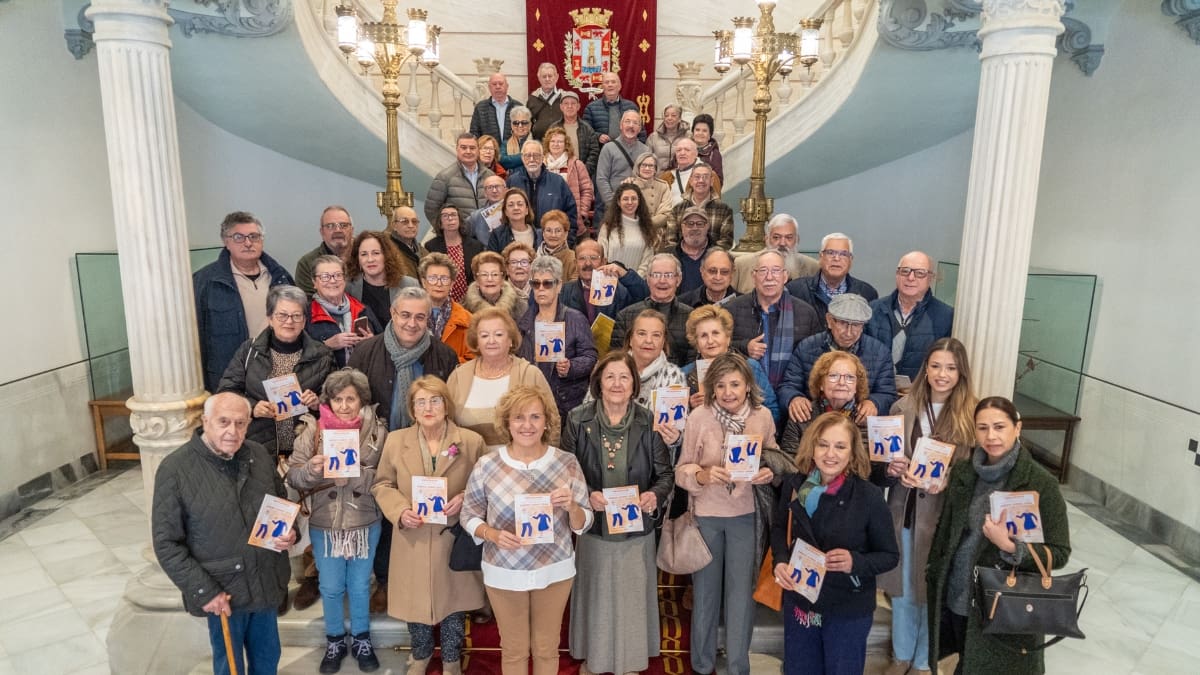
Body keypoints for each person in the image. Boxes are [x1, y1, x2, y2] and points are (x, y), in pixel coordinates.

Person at [152, 392, 295, 675]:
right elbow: (167, 543)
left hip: (265, 581)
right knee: (229, 667)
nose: (233, 431)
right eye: (224, 422)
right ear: (205, 421)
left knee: (268, 661)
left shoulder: (258, 454)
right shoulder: (175, 469)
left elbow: (281, 504)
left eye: (241, 423)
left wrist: (289, 534)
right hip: (222, 592)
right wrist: (204, 591)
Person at [926, 397, 1071, 675]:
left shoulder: (1041, 483)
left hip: (1004, 602)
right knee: (964, 662)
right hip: (958, 594)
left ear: (1017, 428)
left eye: (999, 427)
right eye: (982, 428)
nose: (991, 436)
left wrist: (1008, 545)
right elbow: (947, 532)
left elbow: (1060, 552)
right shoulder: (964, 473)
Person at [460, 386, 592, 675]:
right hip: (504, 571)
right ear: (507, 422)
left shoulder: (566, 463)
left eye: (535, 417)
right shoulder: (487, 465)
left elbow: (583, 524)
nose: (527, 425)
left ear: (547, 422)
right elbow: (468, 515)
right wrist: (491, 534)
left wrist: (571, 506)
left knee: (547, 648)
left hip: (555, 571)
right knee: (514, 650)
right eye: (519, 417)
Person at [562, 351, 675, 675]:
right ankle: (595, 661)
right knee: (596, 596)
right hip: (594, 526)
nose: (617, 383)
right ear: (598, 382)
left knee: (630, 598)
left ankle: (629, 662)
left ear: (633, 384)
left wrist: (654, 495)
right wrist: (587, 496)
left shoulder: (649, 420)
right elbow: (565, 471)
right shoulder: (577, 419)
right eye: (610, 376)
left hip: (635, 530)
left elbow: (665, 475)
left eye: (624, 377)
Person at [347, 287, 458, 610]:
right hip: (381, 448)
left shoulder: (443, 355)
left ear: (429, 319)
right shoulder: (366, 352)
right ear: (393, 314)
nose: (412, 323)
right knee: (385, 514)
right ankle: (384, 580)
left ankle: (427, 580)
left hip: (428, 450)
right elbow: (350, 401)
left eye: (420, 316)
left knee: (421, 518)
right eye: (405, 315)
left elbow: (449, 406)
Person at [371, 376, 487, 675]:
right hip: (413, 536)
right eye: (420, 402)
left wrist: (464, 498)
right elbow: (382, 484)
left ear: (446, 404)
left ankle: (451, 659)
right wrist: (399, 510)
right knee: (414, 603)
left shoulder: (471, 442)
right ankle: (420, 655)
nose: (428, 407)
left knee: (454, 602)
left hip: (452, 536)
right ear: (411, 409)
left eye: (435, 400)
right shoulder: (396, 441)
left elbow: (487, 486)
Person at [675, 353, 780, 675]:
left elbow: (774, 457)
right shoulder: (699, 417)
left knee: (740, 598)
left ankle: (738, 667)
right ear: (711, 389)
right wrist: (702, 475)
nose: (728, 392)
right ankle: (702, 665)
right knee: (705, 594)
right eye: (720, 385)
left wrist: (768, 473)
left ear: (748, 385)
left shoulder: (762, 417)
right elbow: (681, 469)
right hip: (706, 516)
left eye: (735, 384)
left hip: (746, 517)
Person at [771, 412, 899, 675]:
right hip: (802, 600)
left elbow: (889, 555)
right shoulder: (795, 485)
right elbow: (778, 528)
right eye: (823, 444)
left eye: (840, 446)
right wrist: (780, 561)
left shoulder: (869, 497)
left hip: (847, 608)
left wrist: (856, 562)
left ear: (852, 453)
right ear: (812, 447)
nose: (831, 454)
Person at [879, 338, 977, 675]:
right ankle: (902, 655)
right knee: (903, 588)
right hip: (904, 511)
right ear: (926, 368)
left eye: (950, 368)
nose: (942, 374)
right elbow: (885, 458)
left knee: (930, 590)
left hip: (942, 517)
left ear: (961, 372)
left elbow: (974, 470)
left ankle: (923, 661)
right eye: (936, 366)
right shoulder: (902, 408)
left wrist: (948, 479)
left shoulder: (972, 416)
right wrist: (892, 468)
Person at [286, 369, 387, 673]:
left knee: (358, 585)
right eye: (338, 399)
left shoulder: (377, 432)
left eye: (351, 399)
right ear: (328, 401)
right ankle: (334, 639)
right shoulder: (313, 431)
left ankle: (361, 638)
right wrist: (313, 471)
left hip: (364, 521)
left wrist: (357, 472)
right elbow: (293, 474)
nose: (344, 406)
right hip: (325, 523)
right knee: (330, 586)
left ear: (362, 401)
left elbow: (389, 477)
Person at [217, 285, 333, 458]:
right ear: (270, 318)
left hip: (305, 449)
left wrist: (318, 403)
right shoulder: (249, 350)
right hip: (257, 448)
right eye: (282, 315)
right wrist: (252, 408)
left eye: (296, 316)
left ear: (304, 320)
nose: (289, 321)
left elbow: (336, 401)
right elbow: (226, 393)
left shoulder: (322, 354)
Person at [194, 211, 294, 393]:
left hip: (279, 372)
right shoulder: (205, 282)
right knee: (237, 421)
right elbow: (196, 337)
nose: (248, 243)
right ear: (226, 241)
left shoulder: (281, 277)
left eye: (254, 237)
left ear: (261, 240)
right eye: (239, 237)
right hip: (230, 377)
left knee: (284, 421)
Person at [779, 293, 898, 426]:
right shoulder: (806, 347)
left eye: (856, 325)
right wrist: (793, 398)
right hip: (812, 423)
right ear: (830, 320)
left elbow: (887, 393)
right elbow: (788, 385)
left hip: (857, 425)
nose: (848, 332)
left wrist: (875, 402)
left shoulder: (880, 352)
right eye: (843, 323)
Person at [447, 307, 556, 449]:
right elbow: (445, 425)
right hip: (469, 465)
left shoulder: (530, 374)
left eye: (498, 334)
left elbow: (553, 422)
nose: (491, 341)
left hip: (522, 465)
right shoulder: (458, 376)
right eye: (484, 335)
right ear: (476, 342)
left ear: (510, 340)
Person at [726, 250, 823, 390]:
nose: (769, 277)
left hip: (791, 394)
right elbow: (716, 350)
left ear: (785, 276)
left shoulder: (806, 313)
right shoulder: (732, 310)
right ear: (754, 276)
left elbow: (815, 362)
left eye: (776, 271)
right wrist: (744, 347)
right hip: (742, 394)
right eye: (763, 271)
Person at [517, 256, 597, 422]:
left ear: (559, 286)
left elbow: (590, 356)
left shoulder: (575, 318)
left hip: (564, 402)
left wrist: (571, 366)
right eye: (535, 283)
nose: (540, 289)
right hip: (530, 400)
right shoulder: (524, 321)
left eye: (547, 283)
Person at [866, 252, 955, 382]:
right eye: (905, 271)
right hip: (875, 391)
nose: (911, 277)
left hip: (918, 396)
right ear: (897, 274)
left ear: (931, 278)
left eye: (920, 273)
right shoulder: (873, 309)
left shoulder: (946, 316)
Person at [682, 304, 780, 422]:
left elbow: (772, 412)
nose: (710, 341)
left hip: (744, 436)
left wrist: (743, 408)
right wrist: (689, 407)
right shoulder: (683, 374)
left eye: (715, 333)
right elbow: (675, 424)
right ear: (696, 344)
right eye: (703, 336)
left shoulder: (750, 367)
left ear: (728, 338)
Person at [609, 254, 695, 367]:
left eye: (668, 275)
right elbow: (616, 360)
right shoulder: (625, 316)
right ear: (648, 279)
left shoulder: (692, 317)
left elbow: (693, 362)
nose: (662, 280)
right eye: (656, 275)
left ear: (678, 280)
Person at [779, 351, 870, 453]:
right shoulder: (802, 413)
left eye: (850, 377)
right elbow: (789, 460)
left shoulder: (865, 418)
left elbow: (864, 464)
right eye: (833, 376)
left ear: (857, 386)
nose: (841, 382)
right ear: (821, 383)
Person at [306, 255, 381, 368]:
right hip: (325, 382)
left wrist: (371, 343)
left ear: (345, 279)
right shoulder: (306, 314)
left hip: (364, 379)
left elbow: (384, 345)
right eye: (325, 277)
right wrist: (326, 346)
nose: (333, 281)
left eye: (338, 275)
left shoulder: (363, 309)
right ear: (314, 282)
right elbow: (297, 354)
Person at [558, 238, 650, 325]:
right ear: (575, 263)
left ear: (603, 261)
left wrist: (624, 274)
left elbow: (644, 297)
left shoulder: (619, 290)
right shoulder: (564, 291)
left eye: (593, 258)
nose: (588, 263)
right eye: (582, 258)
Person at [786, 232, 879, 316]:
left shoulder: (867, 293)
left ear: (851, 260)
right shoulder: (795, 290)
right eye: (830, 253)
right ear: (821, 257)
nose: (837, 258)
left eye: (843, 254)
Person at [505, 139, 579, 244]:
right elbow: (505, 213)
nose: (532, 159)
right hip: (520, 243)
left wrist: (567, 242)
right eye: (528, 155)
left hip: (552, 244)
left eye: (536, 155)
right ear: (522, 158)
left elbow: (571, 215)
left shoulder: (558, 182)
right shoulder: (513, 181)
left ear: (542, 157)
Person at [345, 230, 418, 327]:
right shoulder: (348, 287)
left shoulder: (409, 285)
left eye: (376, 253)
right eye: (364, 254)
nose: (370, 259)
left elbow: (418, 324)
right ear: (357, 258)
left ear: (386, 255)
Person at [733, 213, 820, 294]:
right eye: (776, 237)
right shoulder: (742, 265)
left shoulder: (812, 267)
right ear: (767, 239)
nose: (782, 243)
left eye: (789, 238)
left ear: (797, 240)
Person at [594, 110, 651, 225]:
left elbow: (649, 179)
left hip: (637, 209)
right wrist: (613, 204)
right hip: (611, 207)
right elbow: (601, 178)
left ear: (640, 128)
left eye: (635, 123)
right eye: (627, 121)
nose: (631, 125)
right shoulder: (608, 148)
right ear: (621, 125)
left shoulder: (646, 150)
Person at [425, 133, 494, 225]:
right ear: (457, 150)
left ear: (478, 150)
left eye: (472, 148)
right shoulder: (444, 177)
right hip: (460, 236)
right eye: (464, 148)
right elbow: (431, 209)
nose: (468, 151)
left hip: (487, 236)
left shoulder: (490, 176)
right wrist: (445, 231)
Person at [664, 164, 734, 250]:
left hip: (712, 259)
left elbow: (726, 242)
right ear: (691, 181)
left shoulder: (724, 210)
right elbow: (670, 241)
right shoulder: (677, 210)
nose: (701, 180)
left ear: (711, 181)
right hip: (682, 260)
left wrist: (707, 256)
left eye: (705, 177)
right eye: (697, 177)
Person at [420, 253, 473, 364]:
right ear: (424, 282)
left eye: (444, 279)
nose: (438, 284)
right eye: (433, 278)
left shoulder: (467, 319)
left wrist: (445, 362)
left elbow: (473, 360)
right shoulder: (410, 315)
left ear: (452, 283)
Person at [425, 204, 485, 304]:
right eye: (445, 216)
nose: (450, 218)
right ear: (440, 223)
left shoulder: (476, 246)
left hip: (471, 301)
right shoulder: (431, 247)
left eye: (453, 215)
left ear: (459, 220)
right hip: (442, 301)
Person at [542, 126, 593, 236]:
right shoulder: (541, 165)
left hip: (572, 219)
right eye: (553, 141)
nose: (556, 144)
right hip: (546, 219)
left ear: (566, 145)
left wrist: (582, 213)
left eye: (560, 141)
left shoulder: (576, 164)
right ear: (547, 143)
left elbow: (587, 190)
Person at [597, 182, 656, 275]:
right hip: (609, 281)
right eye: (625, 199)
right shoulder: (608, 227)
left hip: (636, 283)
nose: (630, 202)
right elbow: (601, 256)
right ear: (618, 202)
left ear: (639, 201)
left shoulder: (646, 227)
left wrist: (633, 280)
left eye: (634, 199)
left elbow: (647, 262)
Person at [295, 205, 354, 297]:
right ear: (322, 232)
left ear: (352, 230)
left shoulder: (366, 258)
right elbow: (308, 304)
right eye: (330, 226)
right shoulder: (306, 264)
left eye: (344, 225)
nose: (338, 230)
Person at [582, 71, 644, 144]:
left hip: (627, 151)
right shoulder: (591, 108)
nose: (610, 85)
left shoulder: (631, 107)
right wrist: (598, 136)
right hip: (602, 152)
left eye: (613, 82)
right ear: (602, 87)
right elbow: (585, 133)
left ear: (619, 86)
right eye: (607, 82)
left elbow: (641, 133)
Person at [461, 251, 525, 322]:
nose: (490, 279)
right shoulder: (463, 308)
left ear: (502, 278)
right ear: (476, 279)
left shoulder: (520, 305)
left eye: (495, 274)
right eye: (484, 275)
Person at [623, 151, 674, 238]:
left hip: (657, 233)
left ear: (655, 169)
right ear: (638, 167)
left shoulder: (663, 186)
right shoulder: (629, 185)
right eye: (644, 165)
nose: (647, 168)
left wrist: (648, 224)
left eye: (651, 166)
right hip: (633, 232)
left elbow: (666, 213)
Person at [670, 206, 719, 292]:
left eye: (700, 224)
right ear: (682, 227)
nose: (695, 228)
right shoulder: (668, 255)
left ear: (707, 226)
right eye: (690, 224)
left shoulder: (720, 256)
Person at [555, 90, 600, 182]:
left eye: (573, 103)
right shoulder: (554, 128)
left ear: (578, 106)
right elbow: (547, 151)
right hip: (558, 175)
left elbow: (594, 152)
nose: (569, 106)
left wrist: (584, 171)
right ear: (561, 107)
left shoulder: (587, 128)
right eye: (566, 103)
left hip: (581, 176)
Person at [470, 72, 522, 144]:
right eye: (494, 84)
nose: (498, 87)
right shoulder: (480, 108)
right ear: (489, 87)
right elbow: (474, 133)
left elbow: (525, 132)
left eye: (501, 84)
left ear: (507, 86)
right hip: (488, 153)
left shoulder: (518, 107)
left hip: (513, 153)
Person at [487, 187, 544, 254]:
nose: (516, 208)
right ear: (505, 211)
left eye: (520, 204)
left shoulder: (540, 235)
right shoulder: (497, 235)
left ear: (526, 210)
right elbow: (493, 262)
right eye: (511, 205)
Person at [535, 209, 578, 282]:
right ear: (543, 233)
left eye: (558, 231)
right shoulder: (534, 257)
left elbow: (573, 288)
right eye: (549, 230)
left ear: (565, 234)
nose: (553, 235)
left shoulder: (573, 258)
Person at [527, 62, 566, 141]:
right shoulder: (532, 99)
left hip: (561, 144)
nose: (547, 79)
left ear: (556, 77)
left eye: (550, 76)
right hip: (539, 144)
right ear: (539, 78)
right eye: (544, 76)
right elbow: (528, 123)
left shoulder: (565, 98)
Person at [388, 206, 428, 281]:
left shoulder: (425, 252)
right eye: (405, 221)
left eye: (414, 221)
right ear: (394, 225)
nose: (411, 225)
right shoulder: (387, 251)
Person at [468, 174, 508, 246]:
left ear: (506, 190)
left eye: (498, 186)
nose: (494, 190)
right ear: (485, 193)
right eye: (490, 187)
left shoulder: (514, 210)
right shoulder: (476, 216)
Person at [646, 103, 689, 170]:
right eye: (666, 115)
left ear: (680, 119)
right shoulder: (653, 137)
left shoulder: (688, 136)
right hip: (658, 177)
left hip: (680, 176)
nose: (669, 118)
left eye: (673, 115)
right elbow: (646, 159)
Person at [499, 106, 536, 172]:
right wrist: (527, 155)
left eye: (524, 122)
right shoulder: (505, 144)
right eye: (516, 123)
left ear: (530, 125)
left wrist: (513, 160)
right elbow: (503, 161)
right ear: (511, 125)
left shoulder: (536, 143)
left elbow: (536, 160)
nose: (520, 126)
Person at [691, 113, 724, 183]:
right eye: (697, 130)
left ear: (710, 135)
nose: (700, 133)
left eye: (704, 131)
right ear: (693, 132)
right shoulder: (683, 149)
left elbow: (718, 182)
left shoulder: (714, 154)